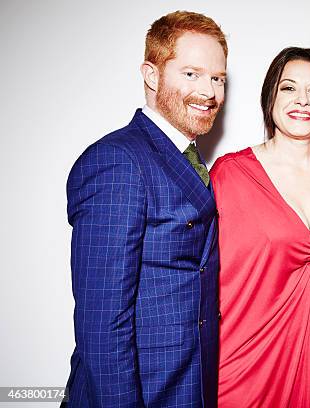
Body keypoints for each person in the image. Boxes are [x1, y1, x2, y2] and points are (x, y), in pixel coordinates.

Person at [62, 11, 226, 407]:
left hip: (186, 389)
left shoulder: (186, 157)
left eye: (218, 78)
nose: (209, 91)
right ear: (152, 76)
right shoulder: (118, 162)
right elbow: (102, 328)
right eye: (191, 74)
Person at [210, 47, 310, 407]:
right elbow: (201, 275)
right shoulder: (231, 175)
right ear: (270, 98)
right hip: (246, 359)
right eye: (288, 88)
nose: (302, 100)